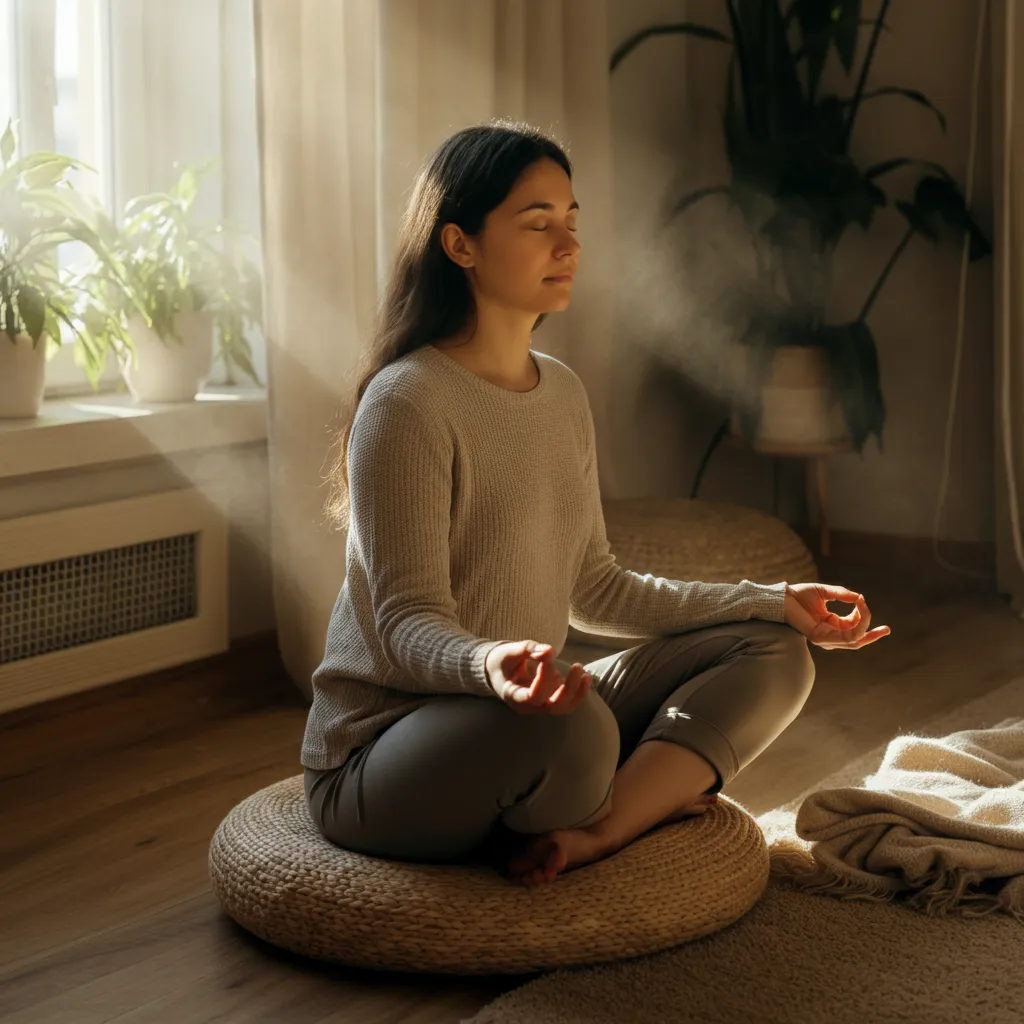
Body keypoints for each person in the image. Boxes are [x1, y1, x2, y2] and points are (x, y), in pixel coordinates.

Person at [302, 119, 891, 887]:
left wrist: (774, 602)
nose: (568, 245)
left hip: (521, 711)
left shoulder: (562, 392)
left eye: (572, 222)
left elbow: (597, 588)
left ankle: (604, 830)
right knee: (577, 734)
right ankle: (633, 795)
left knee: (774, 651)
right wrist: (493, 666)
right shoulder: (407, 401)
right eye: (537, 223)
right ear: (460, 245)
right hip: (382, 750)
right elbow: (406, 626)